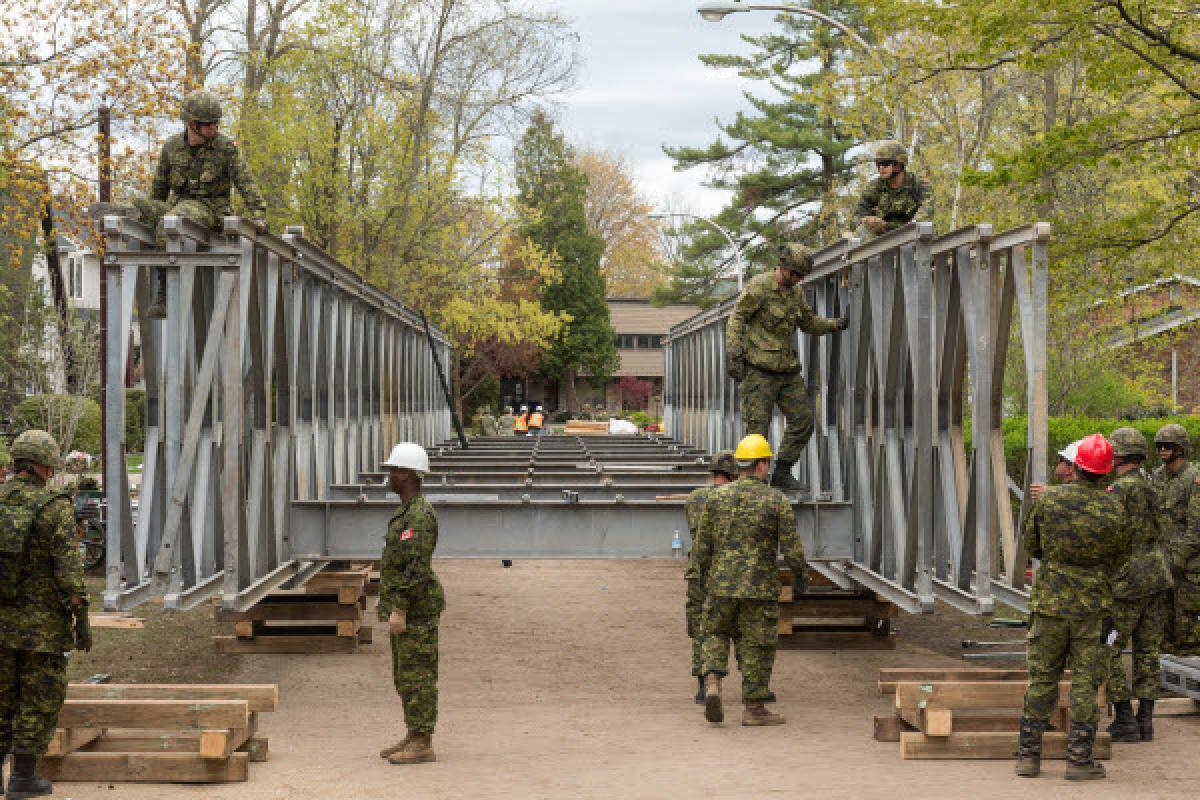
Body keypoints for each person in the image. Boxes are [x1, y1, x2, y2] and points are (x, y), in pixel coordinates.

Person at [1016, 434, 1129, 781]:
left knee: (1042, 678)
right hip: (1092, 609)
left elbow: (1031, 544)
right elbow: (1121, 556)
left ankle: (1028, 756)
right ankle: (1079, 759)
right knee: (1085, 682)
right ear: (1106, 472)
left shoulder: (1049, 501)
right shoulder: (1114, 507)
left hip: (1049, 603)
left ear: (1077, 466)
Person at [692, 433, 808, 727]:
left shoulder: (715, 498)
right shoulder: (775, 500)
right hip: (760, 587)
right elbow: (792, 548)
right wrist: (801, 577)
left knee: (715, 634)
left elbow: (702, 546)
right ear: (762, 465)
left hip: (720, 585)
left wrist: (703, 578)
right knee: (757, 644)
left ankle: (714, 683)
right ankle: (754, 708)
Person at [0, 430, 90, 798]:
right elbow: (69, 574)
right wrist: (81, 620)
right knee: (38, 700)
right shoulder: (56, 508)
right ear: (44, 464)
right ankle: (22, 779)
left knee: (2, 698)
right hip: (43, 630)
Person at [134, 89, 268, 319]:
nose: (213, 129)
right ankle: (160, 274)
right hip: (178, 208)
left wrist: (258, 215)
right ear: (191, 124)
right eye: (208, 125)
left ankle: (164, 292)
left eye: (215, 124)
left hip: (212, 210)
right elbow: (158, 191)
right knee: (140, 206)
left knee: (173, 218)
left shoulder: (225, 149)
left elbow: (246, 182)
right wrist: (148, 213)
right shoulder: (172, 148)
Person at [725, 244, 848, 491]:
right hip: (759, 371)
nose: (799, 279)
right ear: (785, 268)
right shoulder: (760, 286)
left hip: (787, 372)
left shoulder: (796, 294)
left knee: (804, 420)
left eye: (802, 276)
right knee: (757, 432)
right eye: (797, 274)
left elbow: (808, 322)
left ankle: (781, 471)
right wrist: (734, 355)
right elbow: (737, 318)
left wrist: (836, 324)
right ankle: (752, 486)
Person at [1104, 427, 1173, 743]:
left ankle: (1125, 719)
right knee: (1148, 650)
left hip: (1127, 581)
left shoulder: (1118, 491)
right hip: (1157, 576)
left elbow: (1110, 535)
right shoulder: (1154, 486)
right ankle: (1146, 720)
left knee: (1109, 648)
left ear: (1118, 455)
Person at [377, 442, 443, 765]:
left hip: (416, 609)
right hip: (406, 606)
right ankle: (413, 733)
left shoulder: (419, 515)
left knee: (418, 676)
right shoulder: (407, 511)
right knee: (404, 675)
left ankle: (422, 742)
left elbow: (415, 567)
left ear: (406, 474)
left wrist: (400, 608)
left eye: (393, 470)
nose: (389, 476)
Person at [683, 450, 738, 704]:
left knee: (700, 629)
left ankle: (703, 686)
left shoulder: (695, 498)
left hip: (698, 572)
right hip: (727, 572)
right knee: (740, 627)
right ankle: (755, 687)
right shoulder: (734, 497)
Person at [1150, 423, 1200, 654]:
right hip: (1161, 561)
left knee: (1187, 626)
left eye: (1167, 446)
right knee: (1162, 624)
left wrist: (1177, 559)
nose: (1162, 451)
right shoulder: (1157, 477)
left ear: (1180, 449)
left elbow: (1196, 527)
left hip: (1187, 565)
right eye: (1159, 446)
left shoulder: (1193, 479)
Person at [852, 140, 932, 239]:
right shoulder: (874, 187)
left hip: (912, 237)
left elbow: (924, 216)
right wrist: (868, 221)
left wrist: (889, 228)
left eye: (885, 164)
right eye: (878, 164)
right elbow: (859, 213)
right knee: (861, 231)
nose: (881, 168)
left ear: (898, 164)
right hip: (883, 239)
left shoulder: (919, 184)